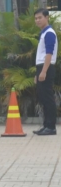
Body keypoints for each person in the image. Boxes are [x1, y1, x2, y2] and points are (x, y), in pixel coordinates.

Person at [33, 8, 58, 136]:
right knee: (43, 98)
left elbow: (49, 53)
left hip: (46, 67)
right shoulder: (43, 33)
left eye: (40, 17)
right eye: (36, 18)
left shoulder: (49, 33)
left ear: (47, 17)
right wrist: (37, 73)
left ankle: (51, 127)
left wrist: (43, 71)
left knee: (48, 98)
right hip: (42, 67)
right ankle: (46, 125)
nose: (37, 20)